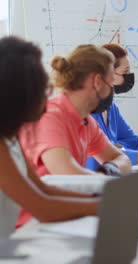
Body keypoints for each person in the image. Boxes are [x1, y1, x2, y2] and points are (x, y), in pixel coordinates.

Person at [0, 36, 98, 229]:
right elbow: (43, 208)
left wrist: (97, 199)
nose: (48, 94)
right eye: (44, 87)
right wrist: (103, 206)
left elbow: (42, 189)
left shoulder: (10, 138)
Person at [19, 44, 132, 177]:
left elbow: (123, 160)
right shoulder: (51, 117)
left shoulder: (86, 121)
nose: (111, 90)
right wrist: (102, 178)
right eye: (111, 81)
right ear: (97, 81)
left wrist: (107, 170)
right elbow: (68, 175)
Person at [86, 44, 138, 170]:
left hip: (107, 177)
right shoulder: (86, 111)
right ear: (107, 74)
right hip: (91, 181)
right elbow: (109, 156)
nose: (130, 76)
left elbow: (133, 141)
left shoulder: (111, 108)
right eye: (125, 72)